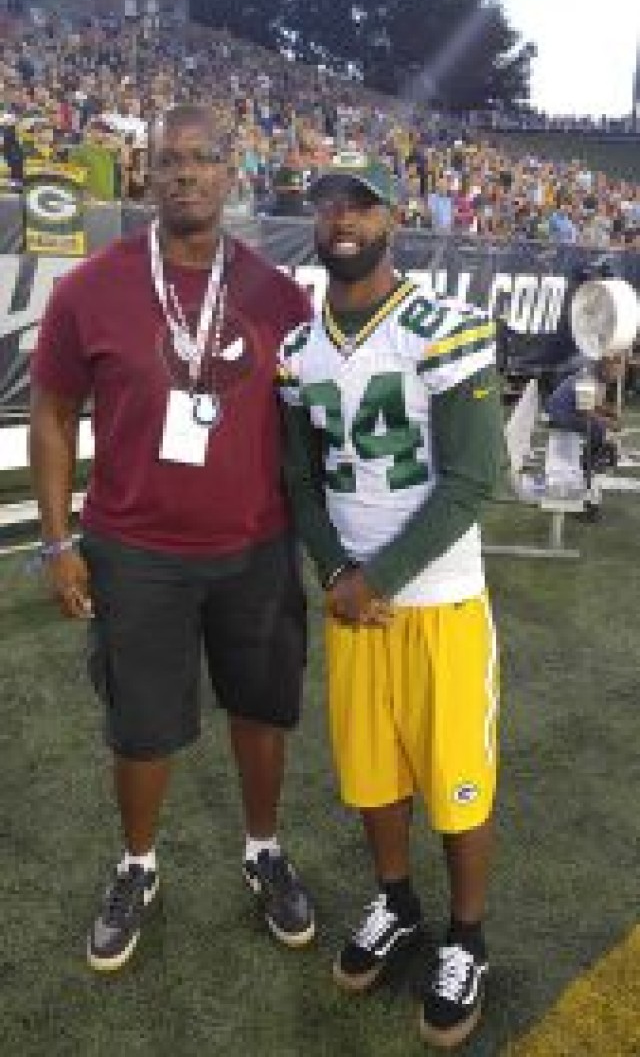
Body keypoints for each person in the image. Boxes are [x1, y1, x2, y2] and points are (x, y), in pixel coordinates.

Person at [29, 102, 315, 974]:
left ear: (233, 172)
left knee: (262, 709)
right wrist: (55, 542)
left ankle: (262, 848)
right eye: (169, 160)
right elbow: (51, 411)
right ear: (147, 174)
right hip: (134, 549)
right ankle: (137, 866)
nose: (185, 173)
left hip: (257, 545)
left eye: (203, 158)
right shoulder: (91, 287)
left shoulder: (276, 291)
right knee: (141, 725)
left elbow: (313, 418)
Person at [277, 154, 503, 1049]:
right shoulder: (298, 350)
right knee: (371, 773)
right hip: (352, 602)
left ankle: (468, 938)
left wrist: (378, 576)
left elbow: (475, 477)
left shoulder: (444, 326)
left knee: (456, 782)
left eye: (360, 205)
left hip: (440, 599)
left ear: (392, 220)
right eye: (329, 204)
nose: (342, 218)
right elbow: (298, 478)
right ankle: (399, 904)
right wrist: (337, 572)